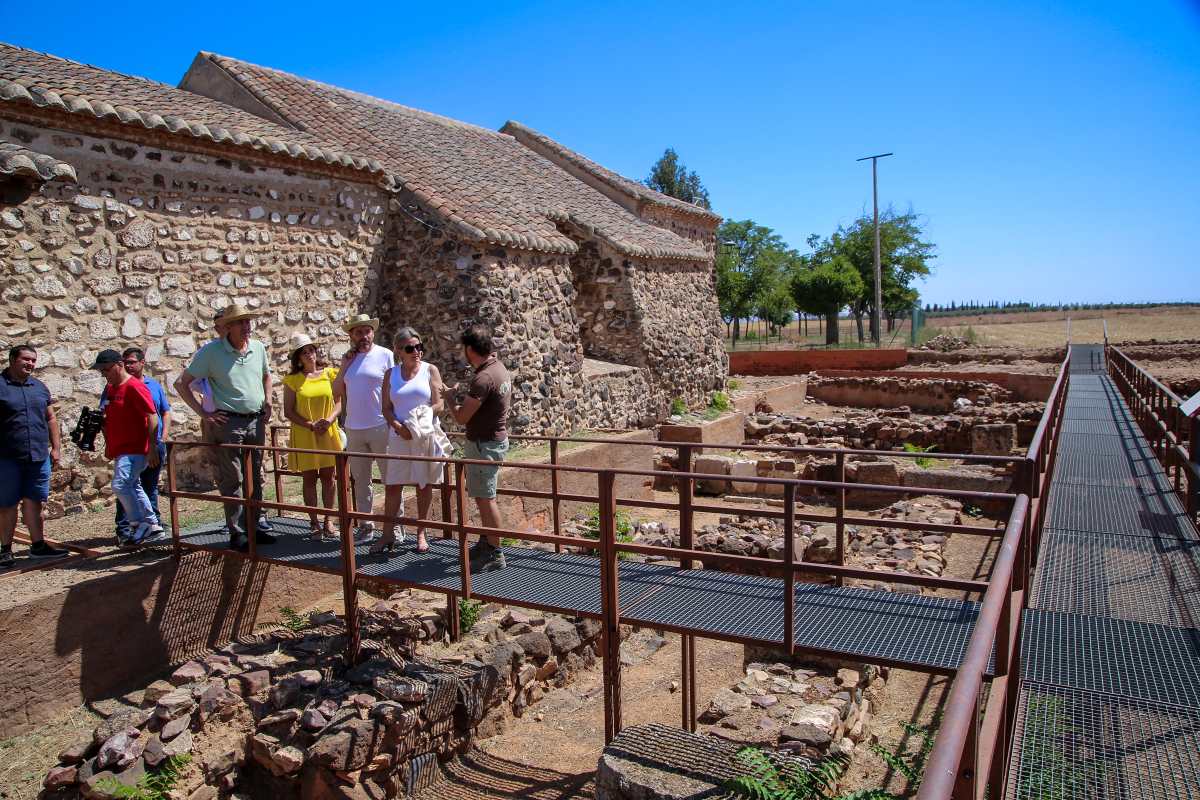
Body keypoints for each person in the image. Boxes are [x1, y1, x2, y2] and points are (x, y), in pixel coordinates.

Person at [174, 304, 276, 552]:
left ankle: (254, 527)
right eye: (240, 322)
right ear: (228, 327)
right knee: (234, 478)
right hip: (228, 422)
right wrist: (204, 413)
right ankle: (238, 532)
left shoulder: (258, 348)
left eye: (248, 321)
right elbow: (181, 383)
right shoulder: (211, 352)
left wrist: (269, 399)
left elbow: (266, 376)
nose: (246, 326)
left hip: (256, 420)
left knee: (256, 477)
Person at [377, 327, 448, 554]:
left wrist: (418, 422)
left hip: (423, 434)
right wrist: (399, 427)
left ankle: (421, 532)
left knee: (423, 483)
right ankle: (387, 534)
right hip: (399, 435)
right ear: (399, 351)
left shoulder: (430, 370)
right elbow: (386, 408)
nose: (416, 351)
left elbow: (439, 405)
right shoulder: (391, 374)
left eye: (419, 347)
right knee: (393, 485)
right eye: (410, 348)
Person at [448, 325, 511, 572]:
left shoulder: (483, 377)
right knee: (485, 495)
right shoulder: (498, 368)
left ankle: (495, 552)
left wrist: (450, 399)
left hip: (484, 445)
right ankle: (487, 541)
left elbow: (463, 417)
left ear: (470, 349)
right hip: (491, 441)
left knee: (486, 498)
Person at [0, 345, 69, 568]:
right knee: (6, 504)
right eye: (25, 359)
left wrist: (56, 448)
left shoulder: (39, 387)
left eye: (33, 360)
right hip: (6, 457)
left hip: (38, 457)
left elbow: (50, 418)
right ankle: (5, 551)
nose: (30, 364)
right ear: (12, 360)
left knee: (35, 501)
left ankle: (38, 546)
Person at [92, 349, 167, 544]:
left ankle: (138, 523)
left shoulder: (134, 387)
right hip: (121, 448)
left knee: (120, 485)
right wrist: (109, 444)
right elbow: (109, 419)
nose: (104, 374)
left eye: (106, 370)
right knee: (133, 485)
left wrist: (152, 448)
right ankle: (153, 525)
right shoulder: (111, 388)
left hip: (135, 448)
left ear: (118, 365)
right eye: (101, 371)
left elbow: (152, 417)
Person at [331, 313, 394, 543]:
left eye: (367, 331)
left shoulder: (385, 355)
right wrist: (344, 366)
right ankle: (366, 526)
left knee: (390, 478)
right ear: (351, 335)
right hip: (354, 428)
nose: (364, 336)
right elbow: (336, 392)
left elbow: (393, 389)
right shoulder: (348, 359)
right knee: (361, 481)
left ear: (373, 332)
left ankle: (395, 526)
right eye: (358, 332)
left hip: (380, 425)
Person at [281, 333, 343, 539]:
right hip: (305, 433)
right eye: (304, 352)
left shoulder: (330, 374)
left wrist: (330, 420)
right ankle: (314, 522)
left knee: (329, 476)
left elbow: (339, 401)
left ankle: (328, 520)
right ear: (298, 358)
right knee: (309, 478)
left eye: (311, 350)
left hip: (327, 431)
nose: (309, 354)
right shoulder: (293, 381)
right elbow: (288, 411)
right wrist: (310, 425)